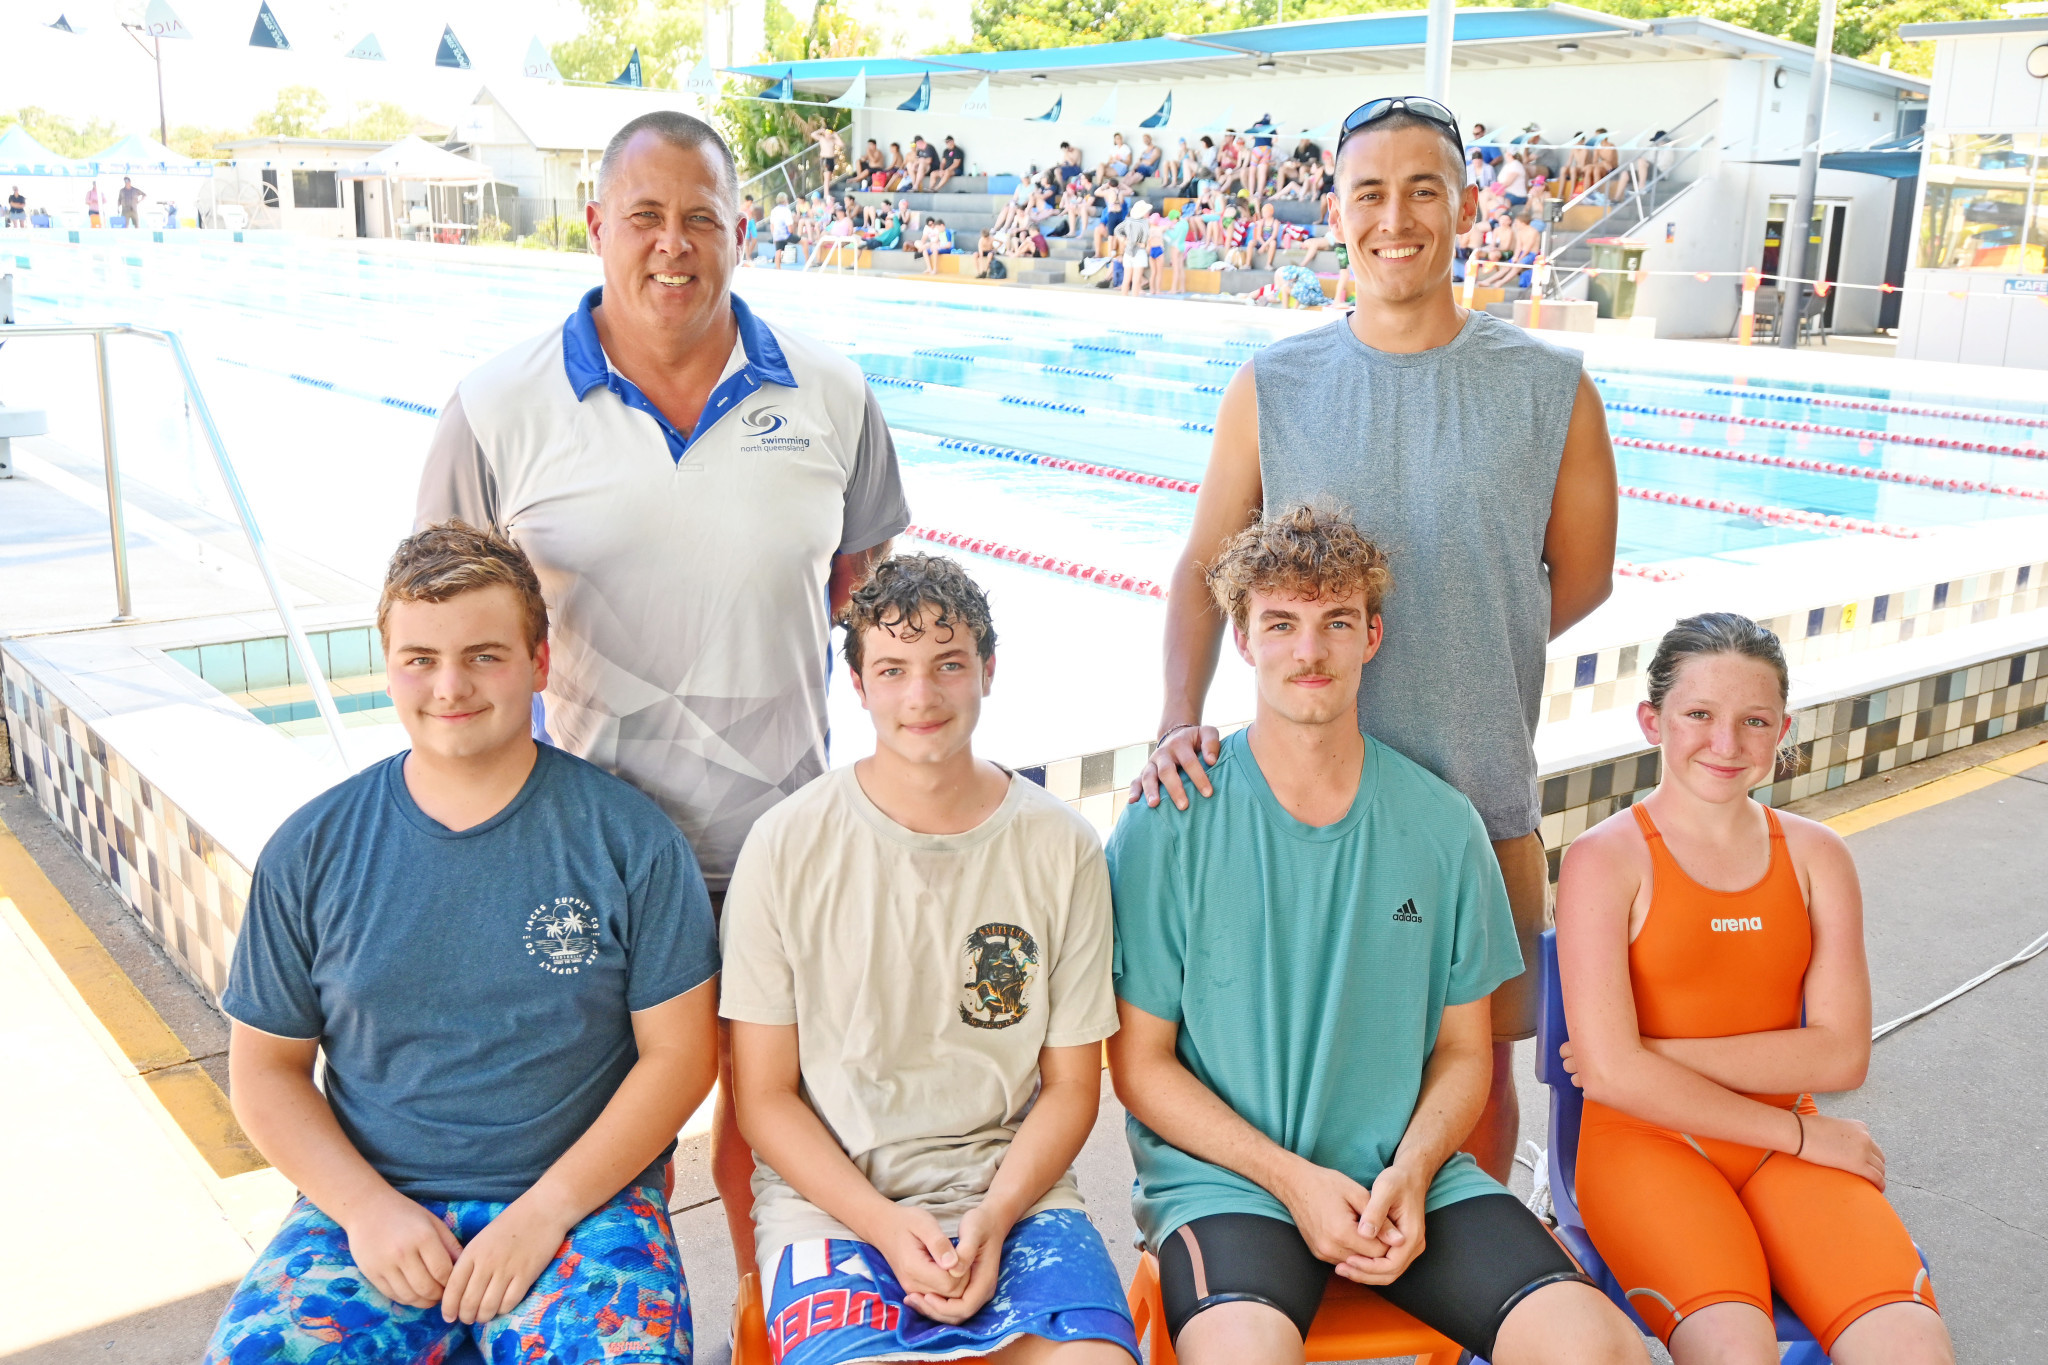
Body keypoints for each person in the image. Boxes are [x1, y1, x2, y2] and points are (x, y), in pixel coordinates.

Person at [414, 111, 910, 1287]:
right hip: (581, 849)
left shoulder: (832, 397)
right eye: (645, 216)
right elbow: (444, 633)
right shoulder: (496, 409)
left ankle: (767, 1322)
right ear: (595, 226)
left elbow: (867, 595)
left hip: (777, 845)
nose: (672, 245)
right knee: (595, 1140)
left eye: (702, 219)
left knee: (780, 1134)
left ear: (742, 232)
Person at [1132, 94, 1619, 1186]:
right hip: (1299, 807)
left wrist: (1465, 643)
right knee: (1295, 1059)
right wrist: (1175, 720)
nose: (1393, 216)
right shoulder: (1274, 384)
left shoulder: (1549, 389)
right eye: (1368, 191)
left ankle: (1469, 1305)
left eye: (1421, 189)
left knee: (1479, 1065)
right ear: (1334, 209)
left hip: (1477, 788)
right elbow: (1203, 571)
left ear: (1464, 206)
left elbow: (1573, 582)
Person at [1108, 505, 1645, 1365]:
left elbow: (1466, 1052)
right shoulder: (1170, 822)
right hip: (1228, 1186)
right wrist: (1294, 1179)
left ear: (1372, 635)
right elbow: (1139, 1065)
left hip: (1406, 1180)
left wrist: (1415, 1167)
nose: (1308, 651)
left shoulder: (1441, 824)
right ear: (1243, 639)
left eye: (1335, 623)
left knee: (1601, 1350)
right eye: (1280, 623)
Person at [203, 523, 720, 1363]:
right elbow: (265, 1068)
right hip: (371, 1208)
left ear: (540, 664)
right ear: (387, 664)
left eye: (484, 654)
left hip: (583, 1208)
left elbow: (681, 1057)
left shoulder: (627, 839)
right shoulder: (313, 848)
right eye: (420, 658)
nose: (450, 685)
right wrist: (366, 1208)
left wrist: (546, 1211)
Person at [723, 554, 1141, 1365]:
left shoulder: (1063, 848)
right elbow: (765, 1098)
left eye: (949, 665)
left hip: (1019, 1199)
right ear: (858, 683)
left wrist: (993, 1216)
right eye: (894, 670)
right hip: (834, 1209)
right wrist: (883, 1221)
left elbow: (1071, 1089)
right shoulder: (786, 847)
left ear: (988, 670)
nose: (922, 696)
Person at [1554, 614, 1954, 1365]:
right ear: (1653, 721)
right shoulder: (1603, 861)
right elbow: (1613, 1081)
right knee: (1737, 1350)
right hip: (1647, 1146)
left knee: (1913, 1346)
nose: (1727, 742)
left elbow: (1839, 1057)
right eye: (1699, 714)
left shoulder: (1816, 856)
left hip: (1780, 1147)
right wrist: (1802, 1134)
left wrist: (1652, 1053)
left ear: (1782, 730)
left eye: (1754, 720)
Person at [811, 124, 845, 192]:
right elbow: (813, 134)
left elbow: (842, 144)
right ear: (825, 132)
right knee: (826, 177)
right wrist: (820, 130)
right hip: (825, 159)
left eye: (830, 133)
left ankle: (828, 192)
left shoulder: (833, 140)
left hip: (831, 159)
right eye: (827, 132)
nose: (828, 134)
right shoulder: (821, 138)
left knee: (829, 177)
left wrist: (836, 135)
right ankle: (826, 195)